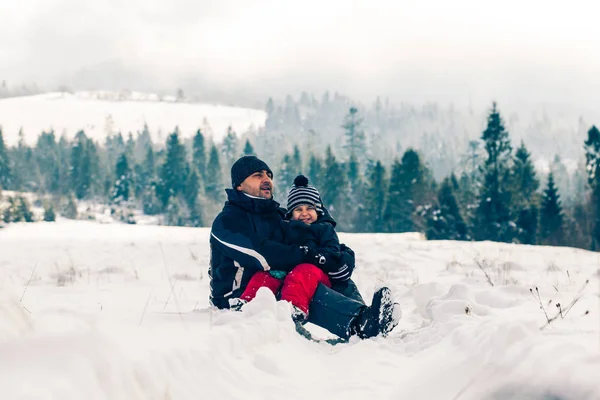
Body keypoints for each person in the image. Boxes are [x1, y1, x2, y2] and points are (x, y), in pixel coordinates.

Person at [209, 155, 400, 339]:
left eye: (269, 175)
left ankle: (367, 315)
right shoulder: (227, 221)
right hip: (242, 297)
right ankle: (359, 324)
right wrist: (310, 255)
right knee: (305, 279)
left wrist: (342, 257)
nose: (266, 179)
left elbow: (312, 236)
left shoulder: (276, 215)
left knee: (333, 275)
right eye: (258, 175)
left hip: (279, 280)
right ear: (239, 184)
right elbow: (264, 254)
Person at [235, 174, 349, 322]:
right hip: (287, 270)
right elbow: (278, 248)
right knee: (264, 276)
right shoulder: (285, 227)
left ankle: (293, 307)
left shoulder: (324, 228)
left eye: (310, 208)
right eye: (298, 209)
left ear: (318, 211)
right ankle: (248, 303)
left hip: (316, 272)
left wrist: (317, 256)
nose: (304, 213)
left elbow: (332, 251)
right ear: (290, 213)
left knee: (302, 273)